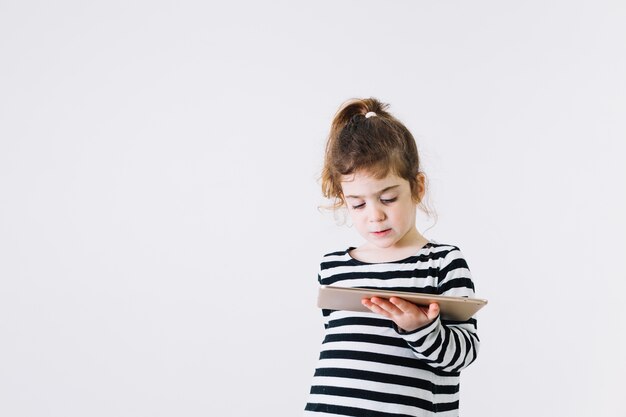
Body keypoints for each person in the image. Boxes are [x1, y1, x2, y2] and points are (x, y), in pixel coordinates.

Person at [304, 98, 480, 416]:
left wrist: (419, 329)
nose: (375, 216)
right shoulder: (333, 267)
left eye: (388, 198)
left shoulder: (441, 263)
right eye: (357, 204)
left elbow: (464, 353)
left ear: (417, 188)